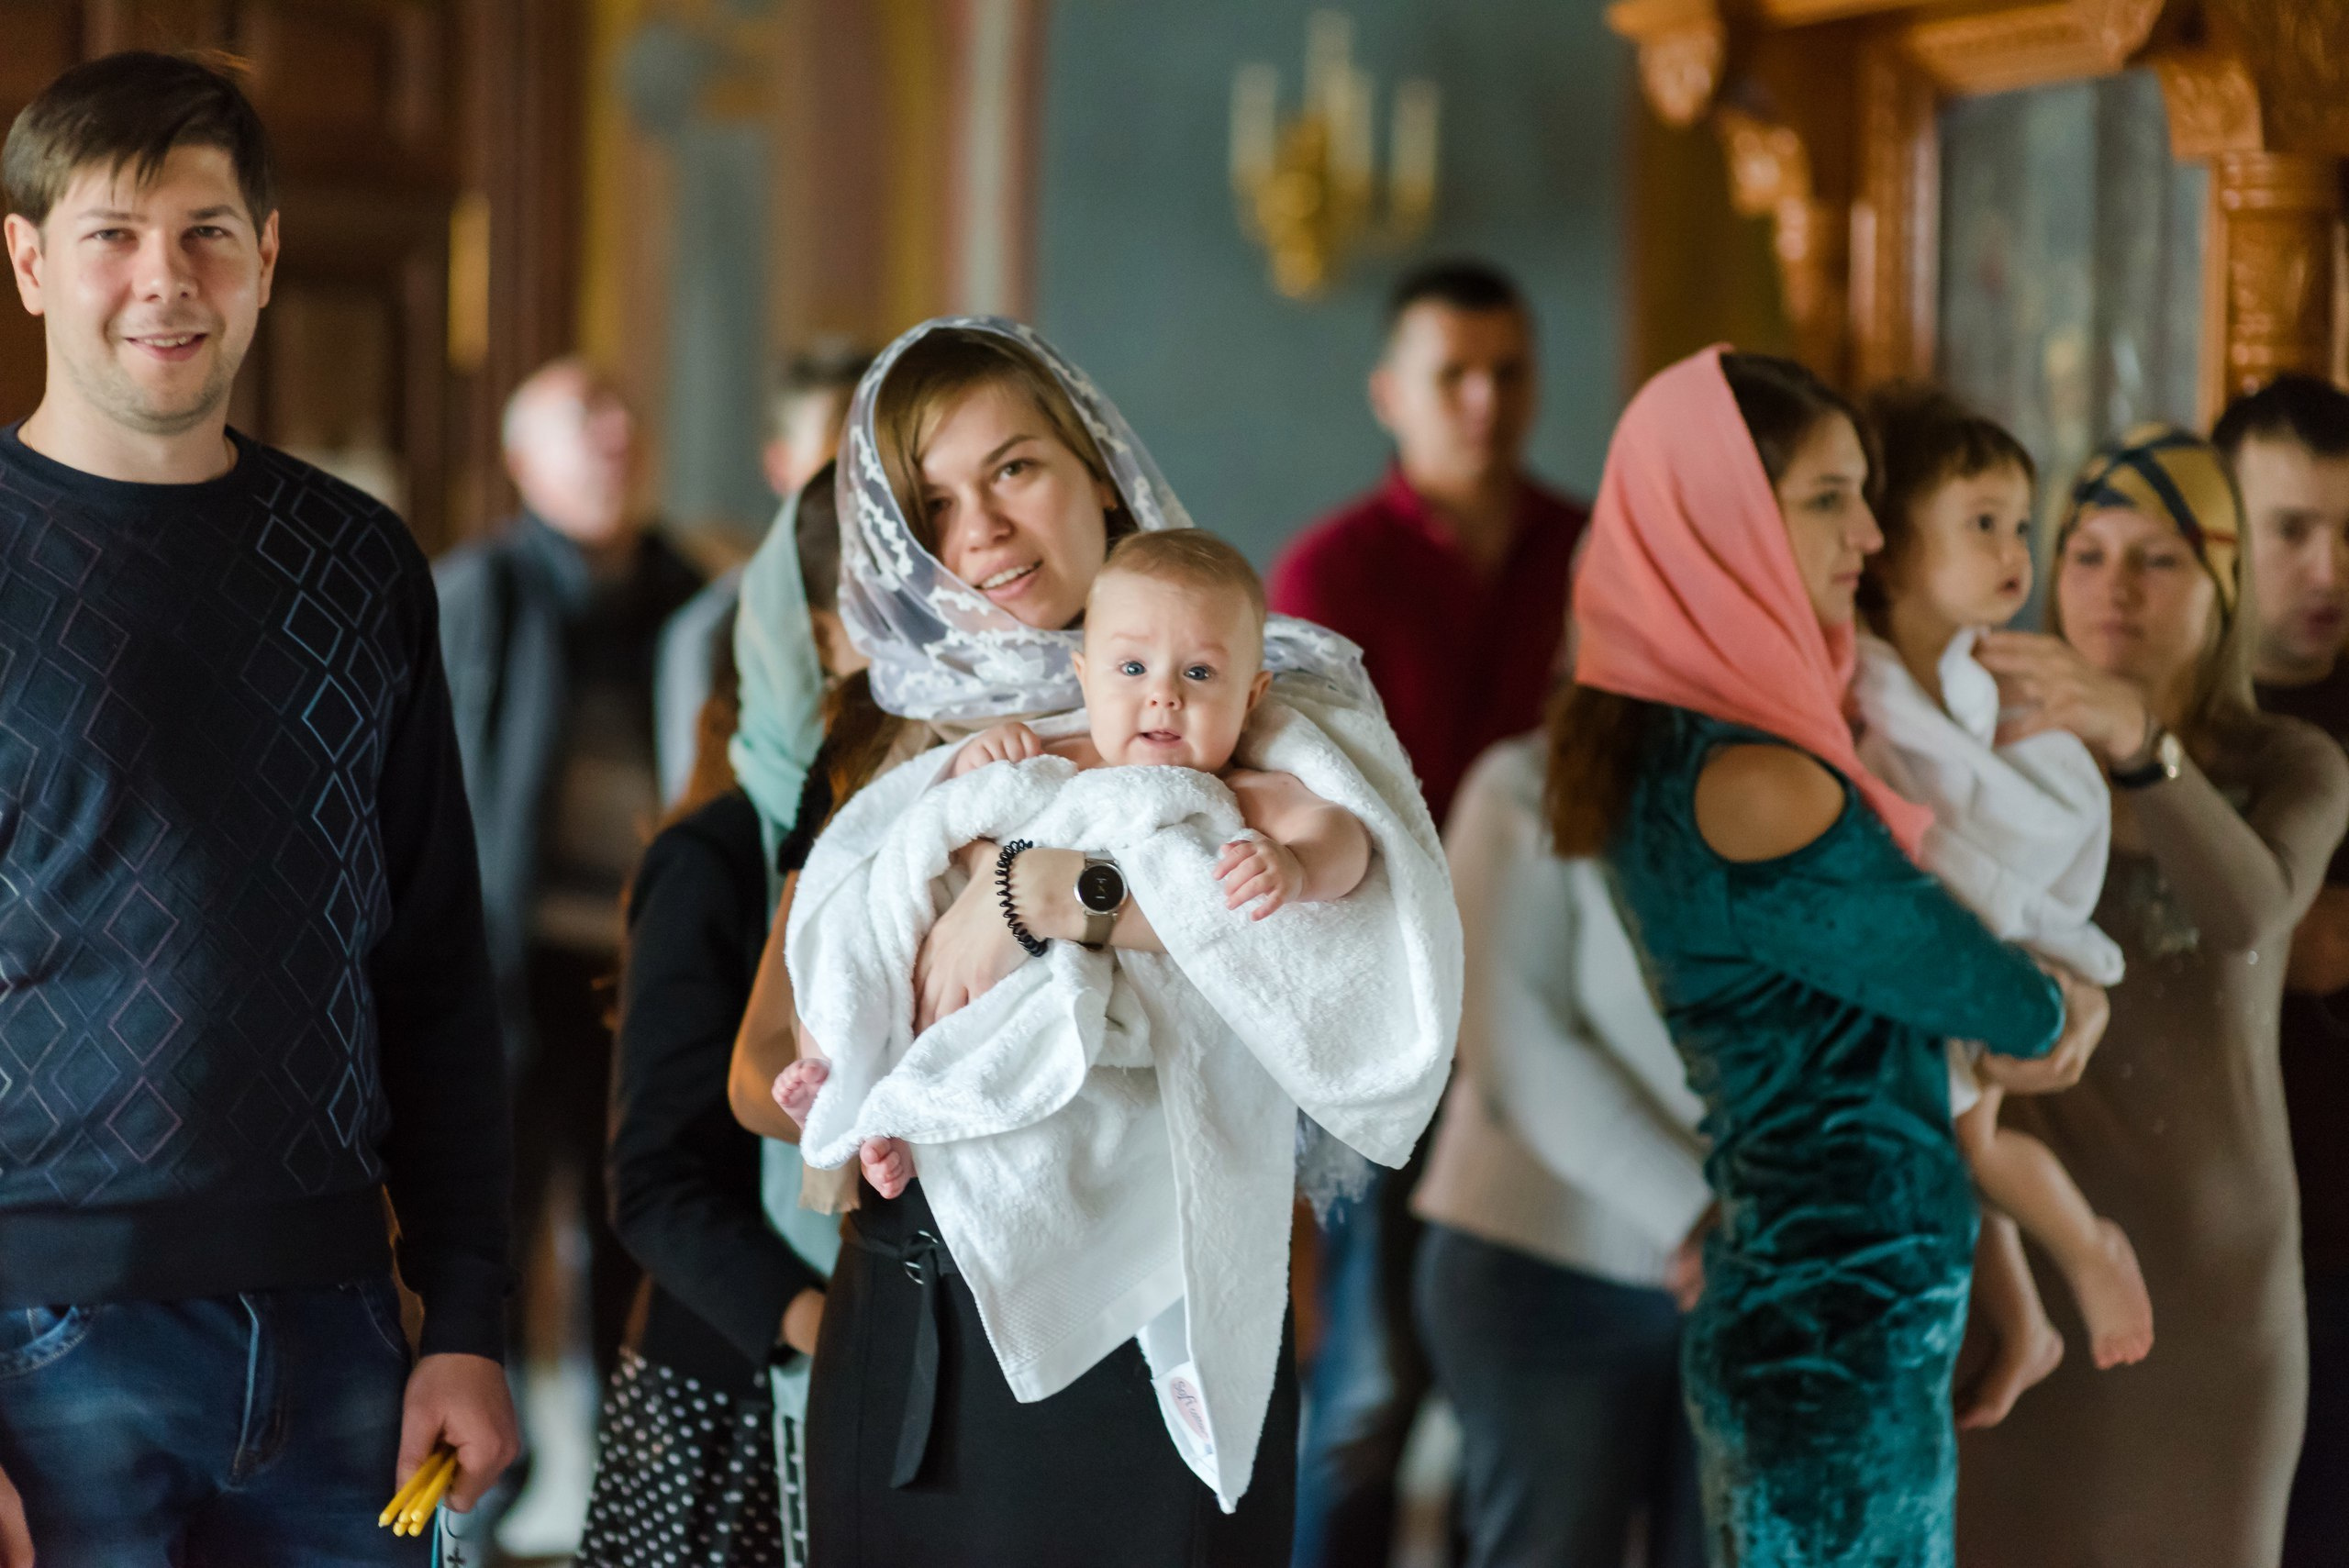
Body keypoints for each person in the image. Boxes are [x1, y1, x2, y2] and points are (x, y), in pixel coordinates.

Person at [729, 317, 1457, 1567]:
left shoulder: (1263, 698)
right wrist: (883, 1077)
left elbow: (1352, 961)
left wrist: (1050, 892)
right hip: (923, 1331)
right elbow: (760, 1070)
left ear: (1099, 470)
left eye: (1013, 467)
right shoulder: (884, 736)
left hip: (1168, 1315)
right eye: (933, 502)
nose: (980, 529)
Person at [0, 50, 518, 1564]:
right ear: (29, 262)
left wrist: (467, 1314)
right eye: (112, 234)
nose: (165, 278)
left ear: (270, 256)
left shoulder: (362, 562)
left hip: (344, 1336)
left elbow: (433, 971)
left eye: (208, 233)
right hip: (41, 1348)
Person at [1556, 347, 2101, 1565]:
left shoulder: (1694, 747)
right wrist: (2066, 1001)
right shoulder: (1756, 780)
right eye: (1827, 498)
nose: (1869, 531)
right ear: (1723, 525)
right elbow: (2004, 1002)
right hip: (1829, 1333)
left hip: (1838, 1311)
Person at [1955, 426, 2349, 1568]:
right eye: (2084, 554)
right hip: (2031, 1267)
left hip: (2218, 1287)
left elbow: (2248, 911)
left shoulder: (2289, 763)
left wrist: (2138, 742)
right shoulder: (1988, 742)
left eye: (2156, 558)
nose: (2112, 588)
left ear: (2222, 584)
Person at [1267, 259, 1585, 1567]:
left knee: (1523, 1382)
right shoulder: (1331, 570)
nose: (1482, 400)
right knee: (1368, 1383)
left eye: (1507, 371)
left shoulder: (1587, 555)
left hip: (1551, 1006)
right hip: (1380, 1021)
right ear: (1389, 392)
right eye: (1451, 374)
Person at [773, 528, 1375, 1195]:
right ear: (1085, 678)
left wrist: (1296, 866)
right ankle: (840, 1071)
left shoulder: (1245, 791)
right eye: (1132, 669)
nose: (1164, 695)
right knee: (860, 926)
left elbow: (1343, 835)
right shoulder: (1058, 755)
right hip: (958, 970)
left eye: (1199, 673)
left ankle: (918, 1121)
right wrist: (980, 763)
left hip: (1065, 1004)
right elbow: (952, 819)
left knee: (1031, 1034)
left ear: (1252, 696)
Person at [434, 358, 702, 1551]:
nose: (611, 440)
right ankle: (478, 1505)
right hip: (503, 971)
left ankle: (631, 1500)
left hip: (648, 972)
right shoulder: (477, 592)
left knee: (636, 1226)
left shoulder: (689, 594)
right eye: (581, 422)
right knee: (484, 1230)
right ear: (522, 461)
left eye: (621, 418)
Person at [579, 467, 854, 1568]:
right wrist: (822, 1325)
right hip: (740, 1387)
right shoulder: (716, 856)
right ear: (820, 638)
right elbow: (654, 1180)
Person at [1849, 386, 2152, 1373]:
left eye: (2022, 525)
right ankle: (2047, 1293)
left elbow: (2023, 796)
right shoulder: (1858, 673)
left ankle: (2070, 1267)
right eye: (1982, 523)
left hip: (1995, 934)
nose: (2014, 551)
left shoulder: (1991, 674)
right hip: (1944, 944)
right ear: (1889, 547)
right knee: (1968, 1145)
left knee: (1976, 1144)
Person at [1410, 717, 1710, 1568]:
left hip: (1753, 1269)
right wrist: (1702, 1216)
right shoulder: (1526, 780)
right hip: (1543, 1273)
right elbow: (1512, 1044)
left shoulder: (1814, 778)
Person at [2216, 373, 2349, 1568]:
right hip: (2200, 1228)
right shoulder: (2169, 709)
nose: (2329, 569)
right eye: (2293, 530)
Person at [656, 345, 873, 803]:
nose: (861, 476)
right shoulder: (713, 632)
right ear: (779, 466)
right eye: (837, 452)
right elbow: (693, 800)